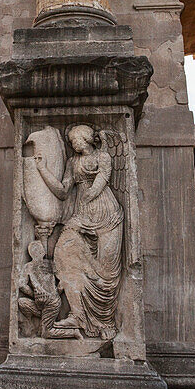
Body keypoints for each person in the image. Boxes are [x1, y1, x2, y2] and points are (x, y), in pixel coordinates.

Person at [34, 125, 124, 339]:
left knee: (106, 273)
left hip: (107, 214)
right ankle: (77, 315)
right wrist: (42, 169)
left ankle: (105, 323)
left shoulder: (102, 157)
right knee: (63, 254)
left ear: (86, 139)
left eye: (76, 139)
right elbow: (63, 191)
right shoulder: (72, 162)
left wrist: (87, 196)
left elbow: (101, 182)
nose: (73, 144)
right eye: (72, 140)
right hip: (82, 215)